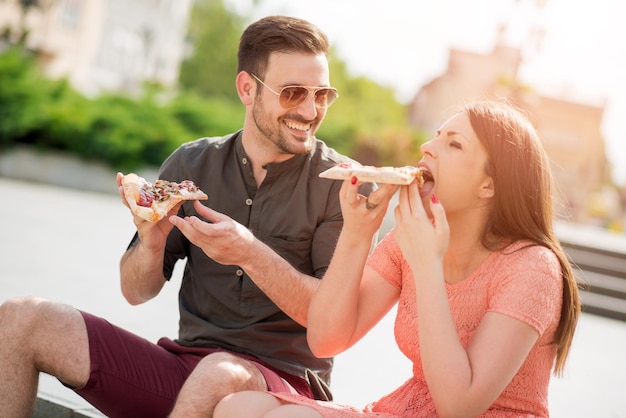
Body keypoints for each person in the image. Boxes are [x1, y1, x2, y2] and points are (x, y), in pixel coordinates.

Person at [0, 15, 375, 418]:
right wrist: (151, 242)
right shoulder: (191, 163)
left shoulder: (345, 186)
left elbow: (329, 325)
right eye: (293, 93)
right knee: (21, 318)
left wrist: (251, 254)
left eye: (322, 94)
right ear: (248, 89)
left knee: (218, 372)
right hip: (185, 371)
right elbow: (135, 291)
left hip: (284, 390)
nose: (309, 109)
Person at [213, 99, 582, 418]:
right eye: (435, 136)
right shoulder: (409, 241)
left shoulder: (532, 267)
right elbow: (326, 339)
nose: (427, 148)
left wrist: (427, 265)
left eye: (453, 144)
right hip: (408, 407)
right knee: (237, 408)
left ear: (490, 185)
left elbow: (460, 406)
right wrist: (357, 234)